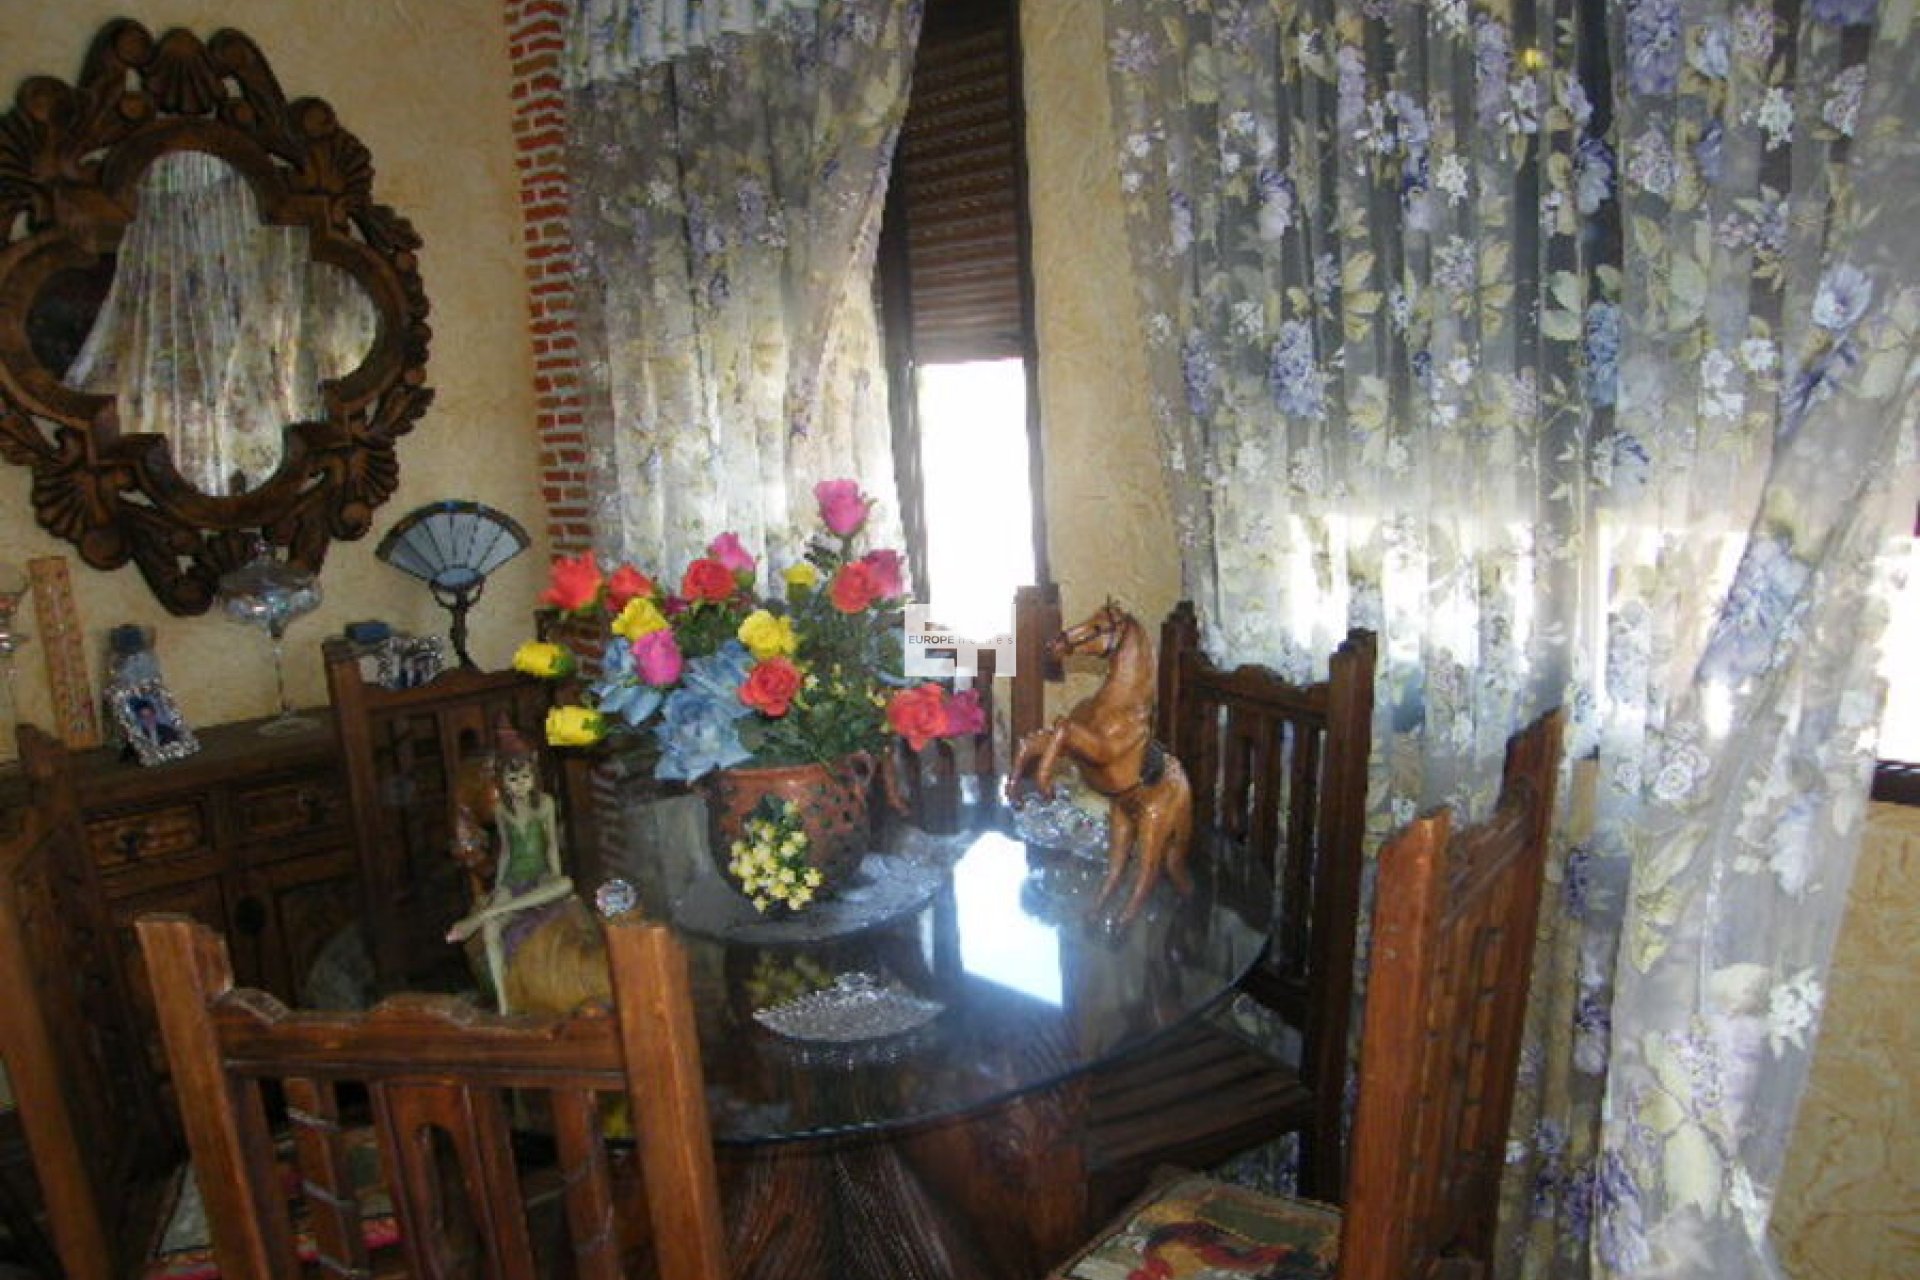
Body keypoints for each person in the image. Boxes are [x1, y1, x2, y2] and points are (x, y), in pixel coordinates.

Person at [445, 724, 573, 1012]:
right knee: (491, 931)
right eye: (513, 779)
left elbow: (552, 845)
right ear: (503, 782)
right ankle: (504, 1006)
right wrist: (499, 886)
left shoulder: (545, 805)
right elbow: (505, 853)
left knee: (565, 884)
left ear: (534, 778)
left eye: (525, 777)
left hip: (540, 875)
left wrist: (554, 874)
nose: (520, 784)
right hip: (514, 877)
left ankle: (484, 916)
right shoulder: (502, 811)